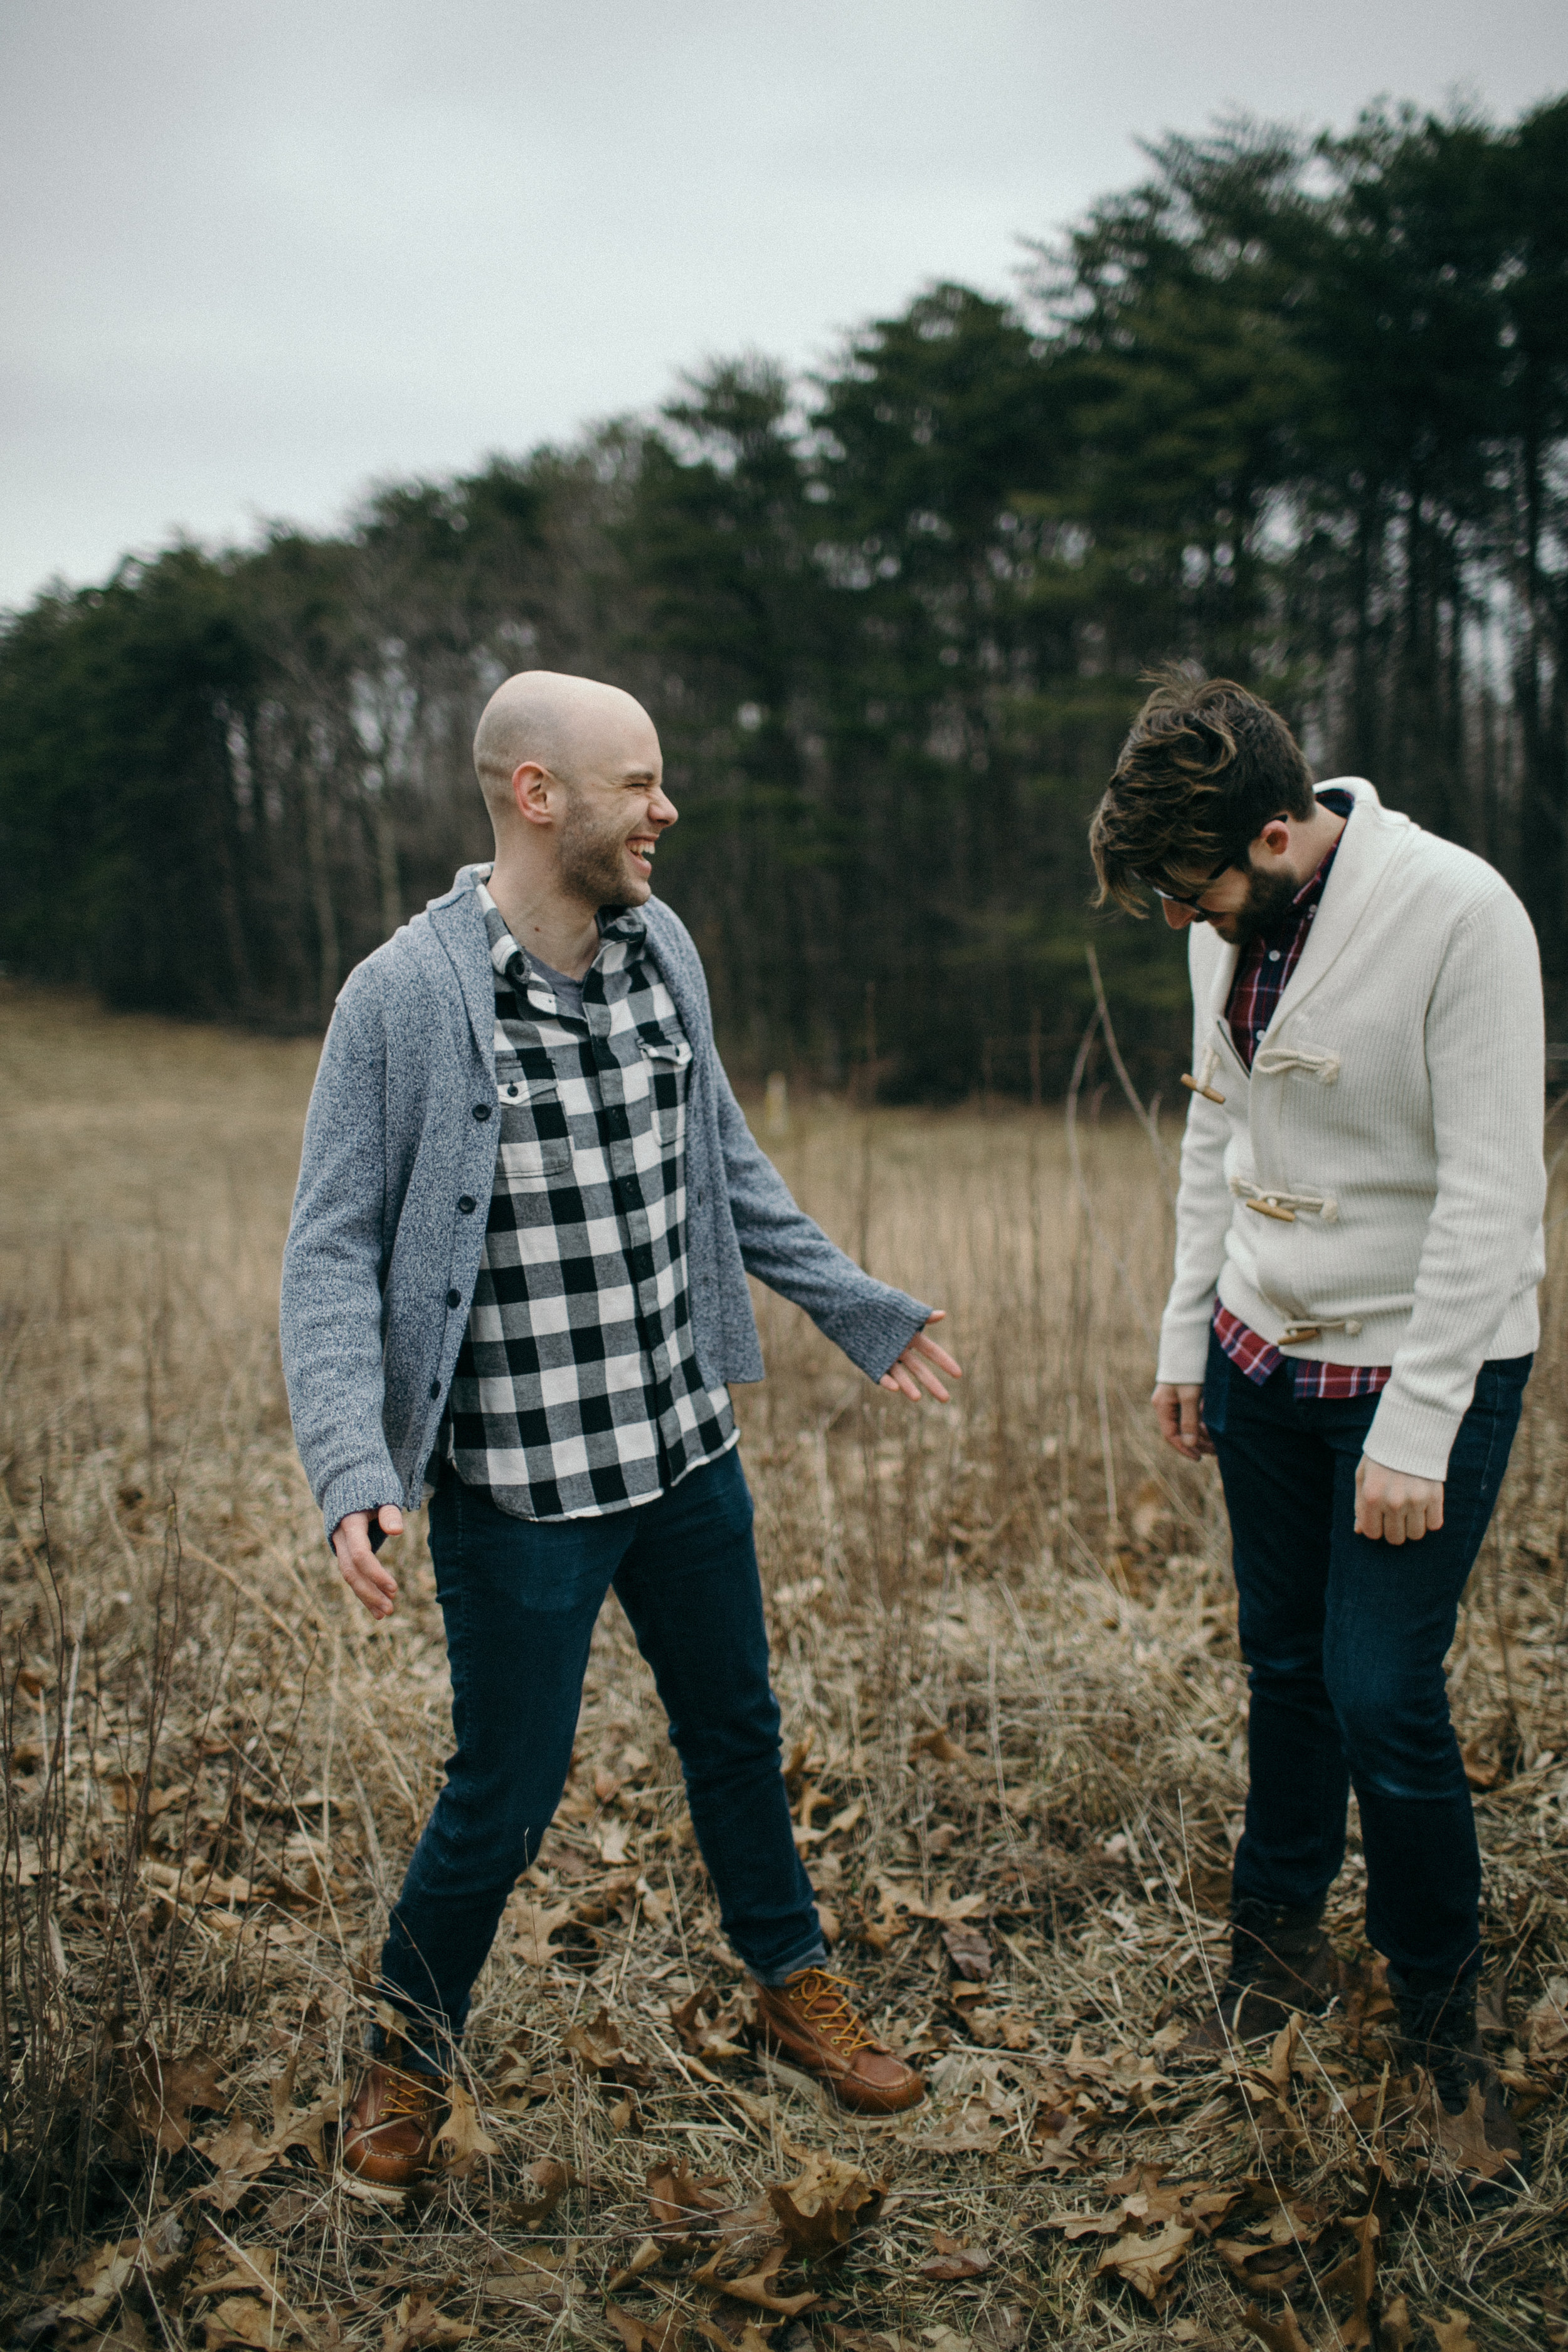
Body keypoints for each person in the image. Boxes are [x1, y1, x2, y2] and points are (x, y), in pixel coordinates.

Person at [280, 669, 961, 2185]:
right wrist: (352, 1465)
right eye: (638, 785)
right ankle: (406, 2054)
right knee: (501, 1796)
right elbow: (328, 1247)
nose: (667, 812)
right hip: (522, 1490)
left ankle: (792, 1983)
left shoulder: (663, 956)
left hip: (681, 1451)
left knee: (736, 1734)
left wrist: (855, 1307)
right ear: (537, 796)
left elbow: (724, 1163)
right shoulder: (403, 997)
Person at [1089, 670, 1544, 2191]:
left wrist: (1417, 1428)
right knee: (1279, 1663)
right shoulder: (1226, 925)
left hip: (1419, 1372)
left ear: (1277, 836)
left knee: (1379, 1695)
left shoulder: (1459, 918)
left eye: (1192, 888)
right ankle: (1273, 1945)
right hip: (1257, 1361)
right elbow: (1218, 1128)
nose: (1180, 920)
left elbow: (1495, 1197)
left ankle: (1437, 2029)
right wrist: (1183, 1335)